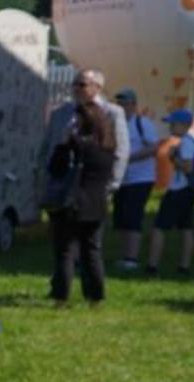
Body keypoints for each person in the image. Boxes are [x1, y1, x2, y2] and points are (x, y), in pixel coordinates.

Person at [46, 100, 117, 306]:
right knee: (92, 252)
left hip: (72, 203)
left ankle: (61, 295)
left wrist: (63, 143)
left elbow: (56, 168)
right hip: (97, 204)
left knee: (65, 252)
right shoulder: (108, 148)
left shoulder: (76, 146)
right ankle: (95, 296)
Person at [42, 68, 129, 202]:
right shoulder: (60, 113)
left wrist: (112, 183)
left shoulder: (112, 113)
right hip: (60, 183)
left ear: (98, 87)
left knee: (88, 221)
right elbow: (48, 145)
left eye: (82, 84)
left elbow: (121, 151)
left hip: (94, 185)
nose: (76, 88)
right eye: (74, 84)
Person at [147, 108, 194, 276]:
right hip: (190, 190)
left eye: (173, 123)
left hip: (179, 190)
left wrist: (173, 157)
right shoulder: (193, 142)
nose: (170, 126)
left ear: (184, 125)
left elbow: (187, 167)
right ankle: (184, 266)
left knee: (159, 227)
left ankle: (152, 265)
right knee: (186, 227)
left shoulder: (185, 144)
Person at [113, 89, 161, 271]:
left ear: (133, 105)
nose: (122, 107)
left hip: (141, 178)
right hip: (121, 179)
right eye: (119, 103)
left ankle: (132, 258)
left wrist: (129, 158)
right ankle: (124, 255)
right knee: (121, 216)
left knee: (133, 215)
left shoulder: (142, 123)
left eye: (125, 103)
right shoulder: (115, 124)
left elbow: (154, 147)